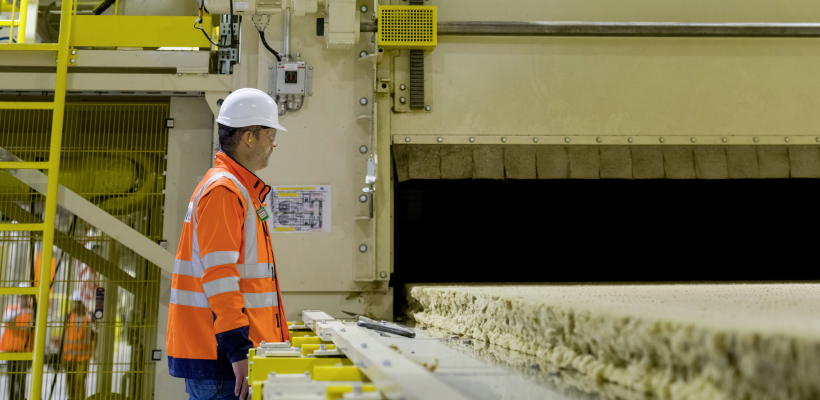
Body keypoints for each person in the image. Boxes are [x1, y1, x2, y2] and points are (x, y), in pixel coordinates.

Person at [166, 88, 290, 400]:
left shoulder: (236, 189)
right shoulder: (224, 191)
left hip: (228, 357)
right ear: (249, 137)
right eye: (269, 134)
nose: (274, 143)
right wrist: (239, 352)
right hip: (224, 363)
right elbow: (220, 278)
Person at [0, 294, 33, 400]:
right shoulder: (11, 308)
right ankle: (12, 397)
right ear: (18, 297)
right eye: (22, 296)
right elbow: (6, 319)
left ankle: (21, 397)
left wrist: (16, 325)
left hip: (25, 349)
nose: (24, 299)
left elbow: (32, 326)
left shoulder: (32, 311)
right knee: (12, 377)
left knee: (22, 377)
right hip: (11, 349)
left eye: (26, 296)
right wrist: (20, 311)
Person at [62, 291, 94, 400]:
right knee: (70, 382)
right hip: (69, 357)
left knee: (80, 382)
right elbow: (63, 336)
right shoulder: (68, 317)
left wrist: (95, 352)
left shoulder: (89, 318)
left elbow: (95, 336)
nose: (73, 305)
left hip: (83, 357)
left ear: (81, 303)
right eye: (73, 302)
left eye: (76, 302)